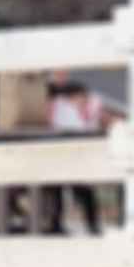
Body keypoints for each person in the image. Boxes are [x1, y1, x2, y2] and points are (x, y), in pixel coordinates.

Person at [46, 72, 106, 234]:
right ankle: (57, 225)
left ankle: (91, 224)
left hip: (77, 154)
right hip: (62, 153)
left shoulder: (89, 105)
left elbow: (90, 126)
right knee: (59, 191)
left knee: (82, 191)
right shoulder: (61, 106)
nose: (80, 100)